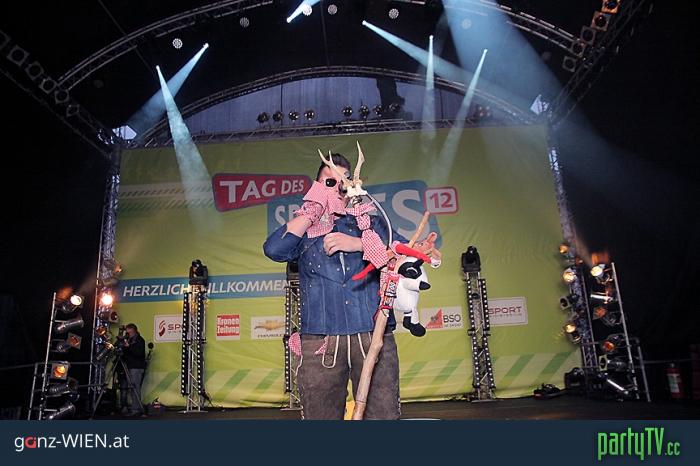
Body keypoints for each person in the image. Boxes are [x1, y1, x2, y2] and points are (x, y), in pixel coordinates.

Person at [263, 153, 406, 419]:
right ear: (316, 186)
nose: (337, 188)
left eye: (342, 181)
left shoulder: (371, 223)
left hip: (373, 334)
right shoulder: (304, 231)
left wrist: (360, 244)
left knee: (384, 416)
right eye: (328, 182)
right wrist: (313, 209)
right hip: (320, 338)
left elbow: (406, 254)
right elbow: (273, 249)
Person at [119, 323, 146, 416]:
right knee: (131, 388)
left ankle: (136, 409)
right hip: (129, 366)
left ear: (134, 331)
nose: (128, 334)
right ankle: (135, 407)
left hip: (136, 367)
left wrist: (129, 347)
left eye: (129, 333)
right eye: (127, 333)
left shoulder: (140, 340)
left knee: (135, 387)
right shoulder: (129, 340)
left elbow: (139, 353)